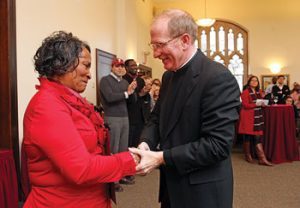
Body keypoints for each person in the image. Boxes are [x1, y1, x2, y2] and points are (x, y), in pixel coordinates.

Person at [129, 9, 241, 208]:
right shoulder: (168, 76)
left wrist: (161, 158)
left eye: (160, 45)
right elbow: (156, 118)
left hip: (203, 192)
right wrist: (146, 144)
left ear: (185, 40)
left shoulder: (217, 78)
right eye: (153, 46)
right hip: (171, 187)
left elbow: (217, 145)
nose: (155, 54)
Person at [22, 31, 138, 208]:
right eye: (86, 65)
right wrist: (131, 160)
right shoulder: (46, 106)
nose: (90, 75)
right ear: (63, 64)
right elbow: (80, 169)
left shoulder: (70, 100)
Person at [99, 58, 137, 189]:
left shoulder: (125, 81)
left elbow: (132, 100)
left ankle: (121, 176)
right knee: (113, 149)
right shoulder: (105, 80)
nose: (120, 68)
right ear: (112, 68)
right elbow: (110, 97)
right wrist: (127, 93)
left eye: (122, 66)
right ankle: (112, 180)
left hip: (124, 117)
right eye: (117, 66)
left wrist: (132, 91)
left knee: (122, 149)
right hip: (112, 118)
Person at [238, 75, 272, 166]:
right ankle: (248, 155)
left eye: (256, 81)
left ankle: (262, 158)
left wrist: (263, 104)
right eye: (252, 80)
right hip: (248, 117)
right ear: (249, 82)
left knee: (257, 137)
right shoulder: (245, 92)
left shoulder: (259, 92)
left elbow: (261, 102)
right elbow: (245, 105)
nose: (254, 82)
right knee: (247, 136)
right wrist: (257, 104)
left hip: (257, 117)